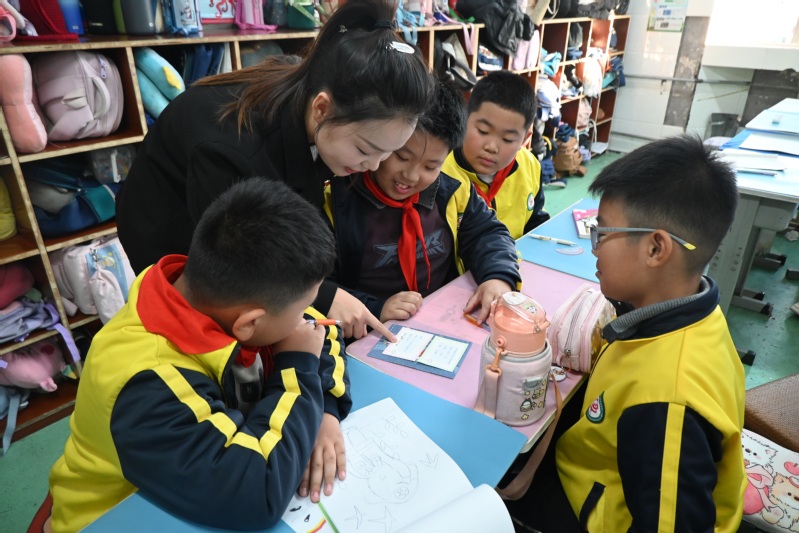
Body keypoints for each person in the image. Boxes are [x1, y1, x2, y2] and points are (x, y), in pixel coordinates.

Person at [116, 0, 436, 341]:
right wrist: (324, 295)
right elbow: (243, 258)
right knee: (211, 327)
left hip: (233, 197)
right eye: (365, 150)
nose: (373, 166)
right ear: (322, 109)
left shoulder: (320, 90)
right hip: (171, 228)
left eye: (388, 153)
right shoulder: (232, 152)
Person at [48, 179, 352, 532]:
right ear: (248, 324)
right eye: (302, 307)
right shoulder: (145, 383)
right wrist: (298, 371)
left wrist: (325, 412)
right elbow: (257, 493)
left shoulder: (216, 293)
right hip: (117, 516)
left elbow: (320, 332)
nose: (307, 317)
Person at [555, 135, 745, 531]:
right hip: (600, 471)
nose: (594, 248)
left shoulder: (664, 402)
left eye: (602, 233)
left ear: (656, 249)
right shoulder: (696, 310)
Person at [323, 81, 521, 325]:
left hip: (446, 317)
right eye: (401, 156)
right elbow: (318, 286)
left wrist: (498, 276)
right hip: (371, 327)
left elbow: (488, 232)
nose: (411, 176)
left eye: (430, 166)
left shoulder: (452, 191)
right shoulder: (337, 203)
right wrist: (376, 308)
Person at [441, 70, 545, 240]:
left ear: (524, 140)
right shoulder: (440, 173)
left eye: (507, 139)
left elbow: (536, 223)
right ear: (465, 119)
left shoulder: (530, 166)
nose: (491, 147)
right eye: (483, 131)